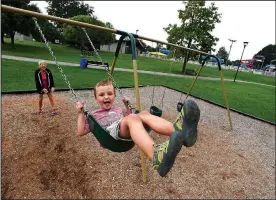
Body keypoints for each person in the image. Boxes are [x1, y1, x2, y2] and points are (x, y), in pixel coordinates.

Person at [76, 80, 200, 177]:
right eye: (101, 95)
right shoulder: (94, 114)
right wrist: (81, 114)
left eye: (109, 93)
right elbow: (81, 132)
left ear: (114, 95)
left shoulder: (119, 109)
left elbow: (129, 119)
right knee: (132, 118)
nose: (106, 97)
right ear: (96, 98)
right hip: (109, 135)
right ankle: (155, 156)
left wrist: (127, 106)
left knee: (144, 114)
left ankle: (178, 130)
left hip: (124, 129)